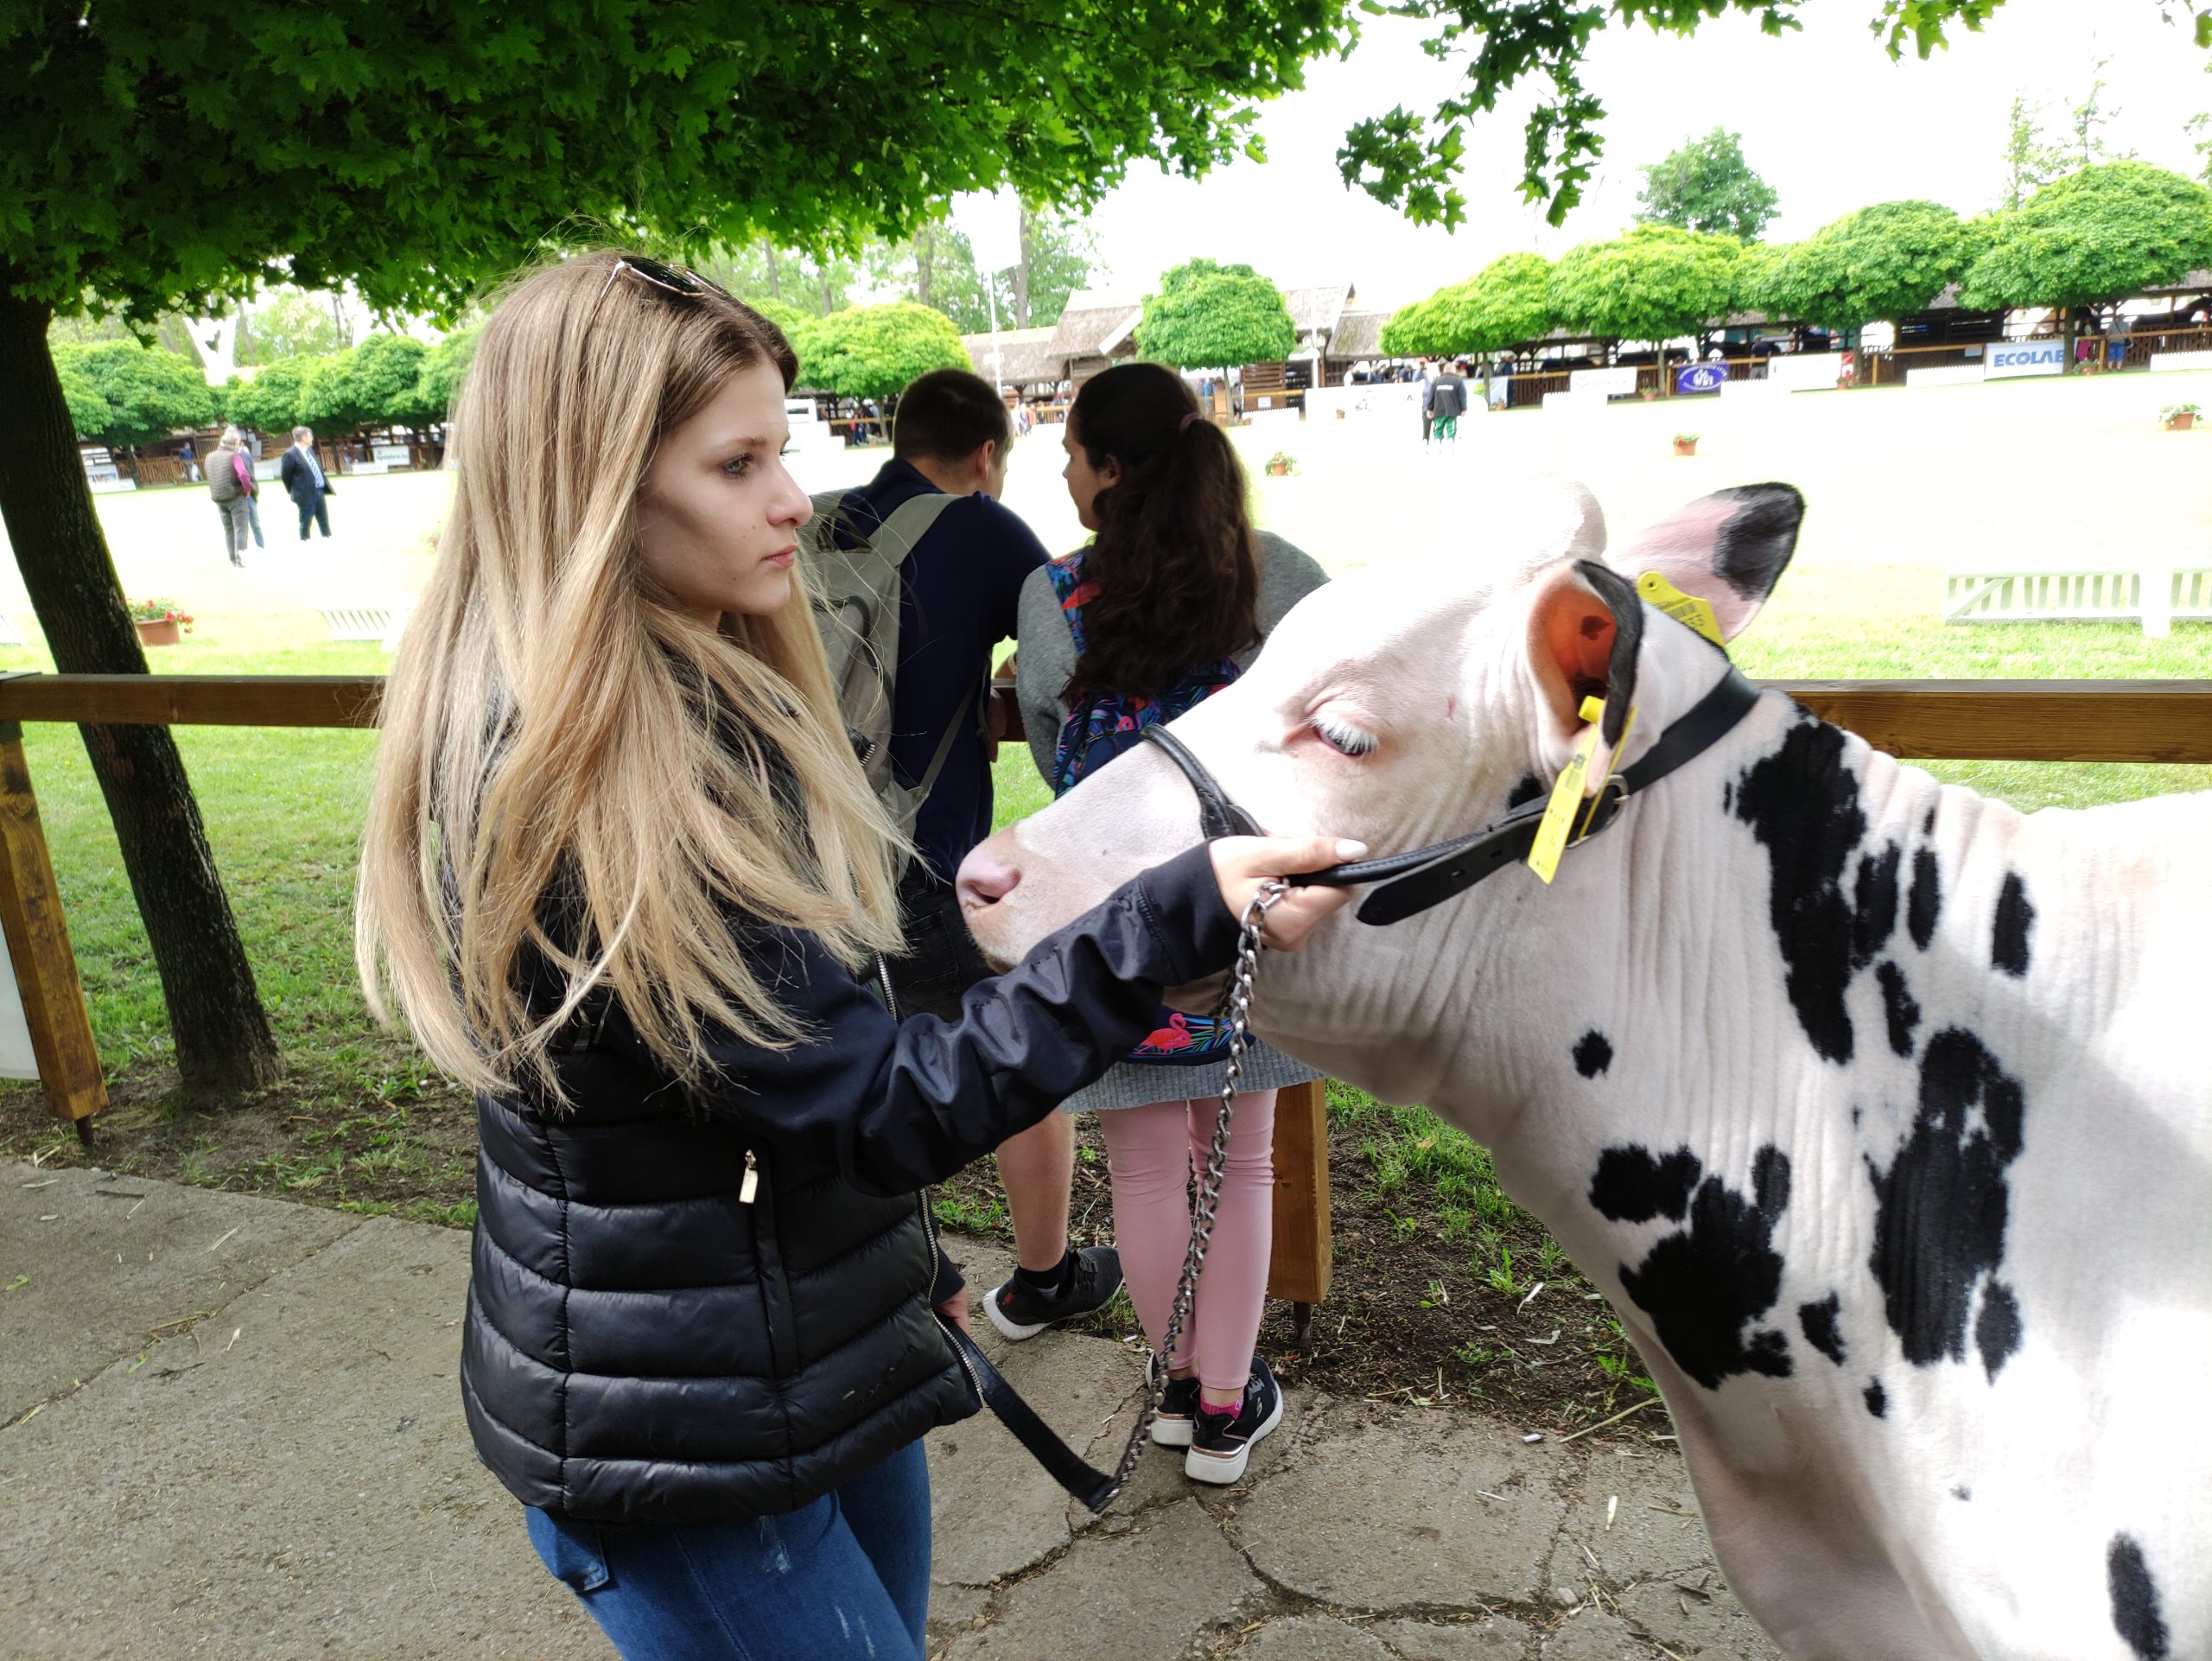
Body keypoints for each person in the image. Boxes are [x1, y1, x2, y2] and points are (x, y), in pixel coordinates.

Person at [352, 251, 1357, 1661]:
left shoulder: (706, 694)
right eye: (738, 461)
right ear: (593, 487)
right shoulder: (592, 778)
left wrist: (892, 1264)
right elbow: (870, 1102)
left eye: (787, 446)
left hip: (801, 1333)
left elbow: (788, 1064)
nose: (792, 499)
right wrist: (1169, 918)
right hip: (687, 1440)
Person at [1014, 361, 1330, 1486]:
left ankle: (1180, 1386)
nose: (1060, 471)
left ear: (1108, 466)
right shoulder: (1280, 577)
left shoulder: (1053, 599)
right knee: (1241, 1161)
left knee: (1144, 1173)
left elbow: (1059, 755)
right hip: (1255, 914)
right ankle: (1230, 1412)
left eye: (1070, 453)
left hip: (1115, 927)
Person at [829, 366, 1125, 1340]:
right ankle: (1041, 1273)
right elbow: (1069, 634)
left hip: (810, 849)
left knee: (842, 1056)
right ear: (986, 455)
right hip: (925, 854)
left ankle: (881, 1259)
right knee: (1016, 1060)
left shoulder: (824, 523)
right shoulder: (982, 528)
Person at [206, 425, 255, 566]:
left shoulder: (209, 457)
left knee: (229, 529)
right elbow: (244, 475)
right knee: (240, 528)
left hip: (219, 498)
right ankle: (241, 559)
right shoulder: (234, 456)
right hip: (235, 496)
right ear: (233, 445)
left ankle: (233, 559)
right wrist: (247, 489)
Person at [280, 425, 334, 539]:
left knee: (324, 521)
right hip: (305, 495)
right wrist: (296, 491)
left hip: (319, 491)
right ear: (303, 438)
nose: (312, 438)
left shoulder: (309, 450)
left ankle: (328, 540)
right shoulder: (290, 454)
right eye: (310, 436)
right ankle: (305, 543)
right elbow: (285, 476)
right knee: (306, 523)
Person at [1427, 359, 1467, 443]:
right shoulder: (1458, 381)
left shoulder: (1436, 381)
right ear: (1453, 370)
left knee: (1438, 428)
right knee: (1451, 428)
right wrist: (1463, 409)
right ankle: (1451, 443)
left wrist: (1429, 409)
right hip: (1452, 410)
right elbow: (1462, 396)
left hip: (1438, 410)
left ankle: (1437, 442)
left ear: (1444, 370)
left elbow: (1431, 396)